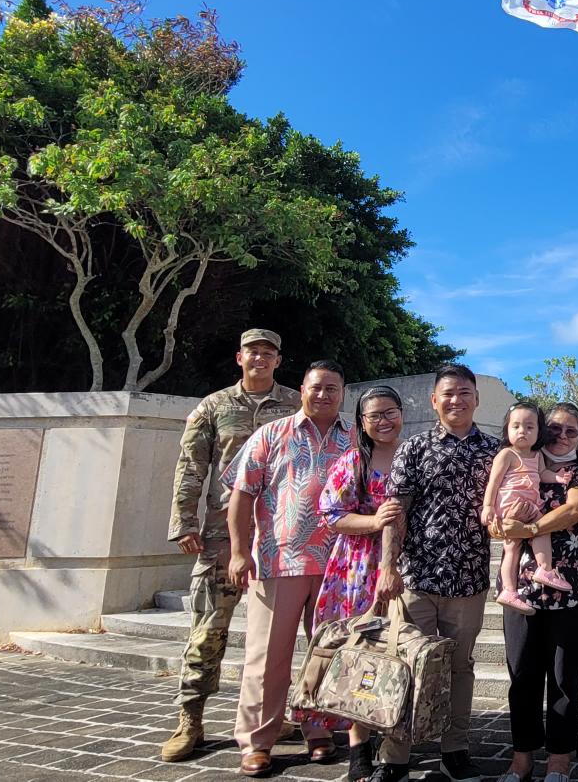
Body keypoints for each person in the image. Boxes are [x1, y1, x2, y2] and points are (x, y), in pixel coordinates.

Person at [160, 328, 303, 763]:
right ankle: (191, 720)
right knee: (207, 631)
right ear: (238, 357)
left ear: (279, 360)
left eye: (269, 352)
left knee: (282, 637)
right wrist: (185, 522)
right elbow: (191, 466)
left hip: (284, 537)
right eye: (253, 352)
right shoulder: (214, 406)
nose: (260, 358)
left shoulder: (296, 405)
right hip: (223, 536)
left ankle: (281, 715)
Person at [370, 364, 502, 782]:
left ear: (476, 398)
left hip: (467, 581)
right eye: (447, 393)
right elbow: (396, 513)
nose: (456, 400)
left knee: (460, 667)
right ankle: (395, 755)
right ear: (434, 400)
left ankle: (455, 748)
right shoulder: (414, 449)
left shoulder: (496, 452)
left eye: (464, 392)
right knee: (404, 664)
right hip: (417, 580)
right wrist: (388, 567)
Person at [226, 360, 354, 777]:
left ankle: (319, 729)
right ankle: (257, 741)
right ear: (302, 389)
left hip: (338, 566)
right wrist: (239, 551)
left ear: (343, 393)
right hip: (278, 560)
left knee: (328, 653)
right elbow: (242, 494)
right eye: (316, 387)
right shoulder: (271, 433)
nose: (323, 395)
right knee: (267, 657)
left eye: (332, 389)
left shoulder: (356, 438)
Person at [492, 401, 578, 782]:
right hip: (520, 589)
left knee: (563, 677)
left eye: (571, 431)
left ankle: (559, 759)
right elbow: (494, 515)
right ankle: (521, 758)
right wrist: (499, 523)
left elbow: (574, 511)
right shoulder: (519, 465)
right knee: (521, 674)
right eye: (554, 429)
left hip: (569, 587)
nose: (561, 436)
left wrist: (526, 529)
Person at [308, 385, 411, 782]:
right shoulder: (354, 461)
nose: (384, 421)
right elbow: (331, 513)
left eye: (390, 412)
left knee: (397, 656)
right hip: (357, 569)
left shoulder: (413, 454)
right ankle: (357, 745)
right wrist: (374, 522)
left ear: (402, 413)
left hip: (408, 564)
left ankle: (393, 742)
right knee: (360, 655)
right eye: (374, 416)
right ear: (362, 423)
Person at [481, 402, 574, 615]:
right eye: (516, 426)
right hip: (511, 508)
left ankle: (539, 572)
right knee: (516, 545)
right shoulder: (507, 454)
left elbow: (542, 474)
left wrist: (558, 477)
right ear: (507, 430)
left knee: (538, 532)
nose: (522, 431)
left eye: (529, 427)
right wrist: (488, 507)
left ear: (539, 431)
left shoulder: (537, 455)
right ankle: (514, 587)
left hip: (530, 506)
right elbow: (493, 483)